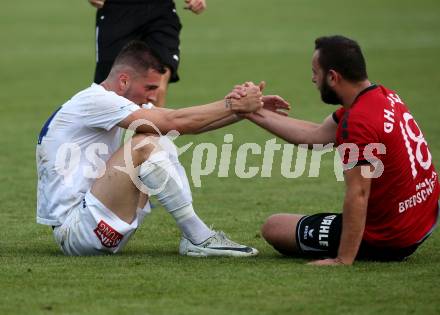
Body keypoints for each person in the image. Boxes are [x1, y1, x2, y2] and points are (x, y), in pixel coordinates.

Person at [36, 40, 289, 256]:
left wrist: (244, 111)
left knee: (157, 135)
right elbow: (174, 120)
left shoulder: (106, 103)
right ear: (123, 80)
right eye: (149, 88)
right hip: (77, 232)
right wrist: (232, 105)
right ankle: (198, 237)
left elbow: (186, 123)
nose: (153, 96)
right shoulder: (96, 100)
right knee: (145, 143)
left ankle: (196, 236)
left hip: (97, 223)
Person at [233, 35, 439, 265]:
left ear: (332, 77)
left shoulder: (358, 122)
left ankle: (352, 250)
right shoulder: (381, 96)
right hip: (423, 218)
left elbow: (358, 193)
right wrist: (253, 111)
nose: (312, 79)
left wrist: (343, 258)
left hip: (391, 237)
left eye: (315, 72)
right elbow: (316, 136)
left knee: (274, 227)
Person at [88, 0, 207, 107]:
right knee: (111, 91)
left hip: (161, 11)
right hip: (118, 9)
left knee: (156, 86)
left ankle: (151, 130)